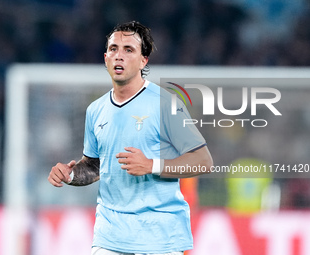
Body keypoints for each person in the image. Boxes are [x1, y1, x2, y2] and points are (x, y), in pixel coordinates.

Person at [48, 21, 213, 255]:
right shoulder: (95, 110)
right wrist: (70, 174)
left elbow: (203, 161)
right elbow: (95, 166)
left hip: (160, 237)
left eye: (129, 50)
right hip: (111, 237)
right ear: (105, 57)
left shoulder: (166, 103)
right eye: (113, 49)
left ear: (143, 60)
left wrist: (151, 165)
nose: (119, 56)